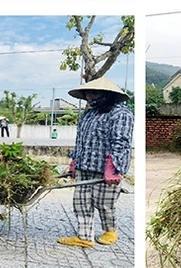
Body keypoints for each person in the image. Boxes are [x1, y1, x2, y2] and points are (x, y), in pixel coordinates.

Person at [60, 77, 133, 248]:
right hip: (84, 165)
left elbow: (121, 142)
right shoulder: (89, 114)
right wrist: (74, 161)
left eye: (94, 93)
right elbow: (80, 140)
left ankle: (110, 230)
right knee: (81, 202)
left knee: (104, 203)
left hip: (106, 169)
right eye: (87, 94)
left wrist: (113, 168)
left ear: (107, 95)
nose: (90, 97)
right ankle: (84, 237)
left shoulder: (121, 114)